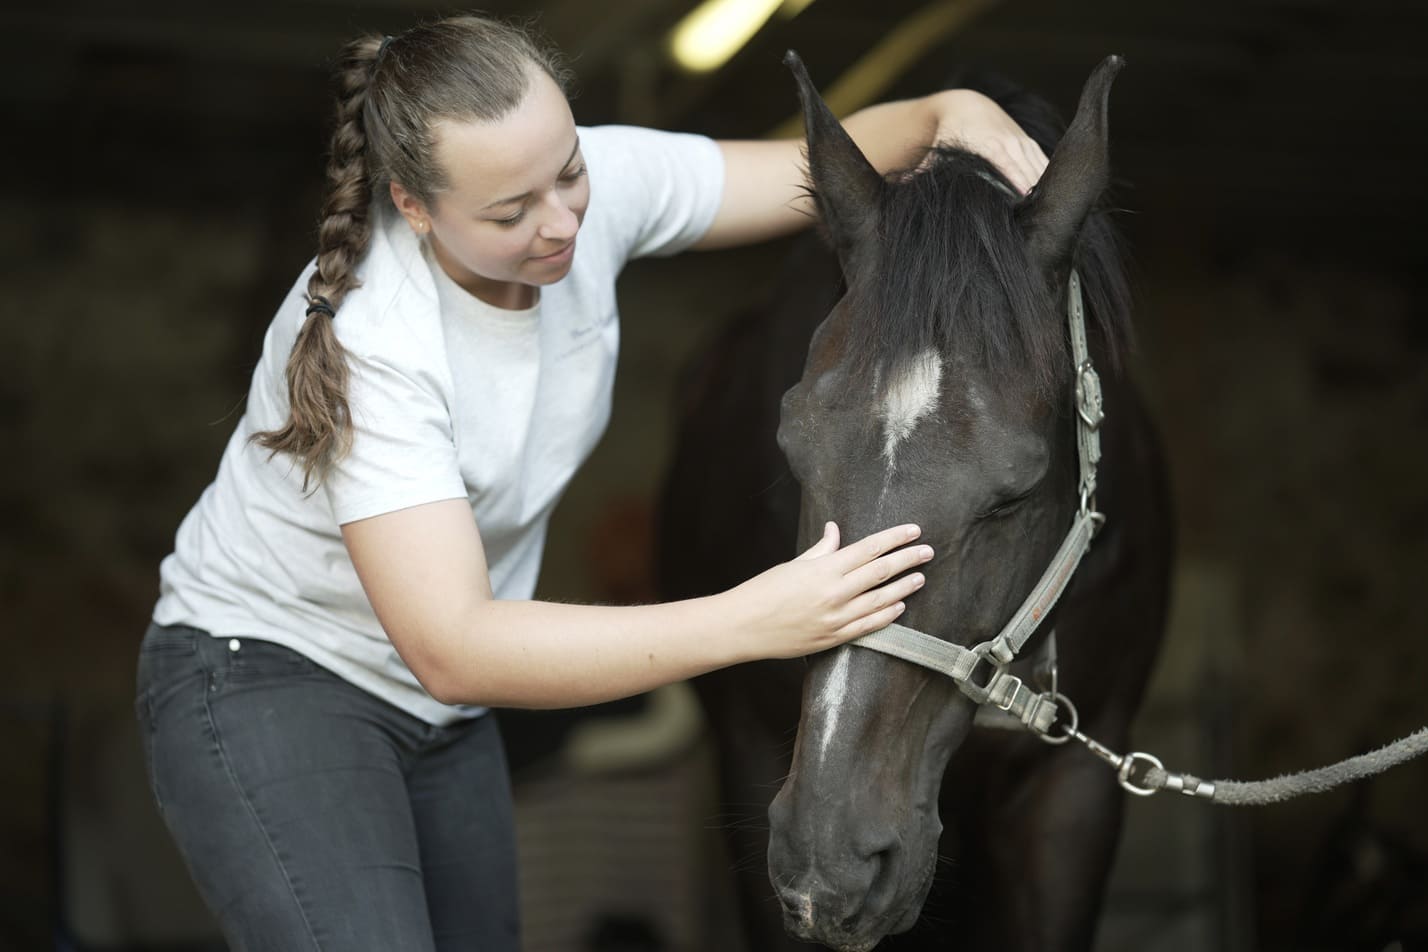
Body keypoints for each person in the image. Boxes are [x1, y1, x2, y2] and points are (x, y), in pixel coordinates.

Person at [135, 13, 1048, 952]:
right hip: (270, 671)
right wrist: (757, 617)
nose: (563, 220)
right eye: (509, 213)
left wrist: (944, 111)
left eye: (568, 172)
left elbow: (805, 170)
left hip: (437, 712)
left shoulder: (586, 193)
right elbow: (456, 645)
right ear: (414, 206)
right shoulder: (377, 342)